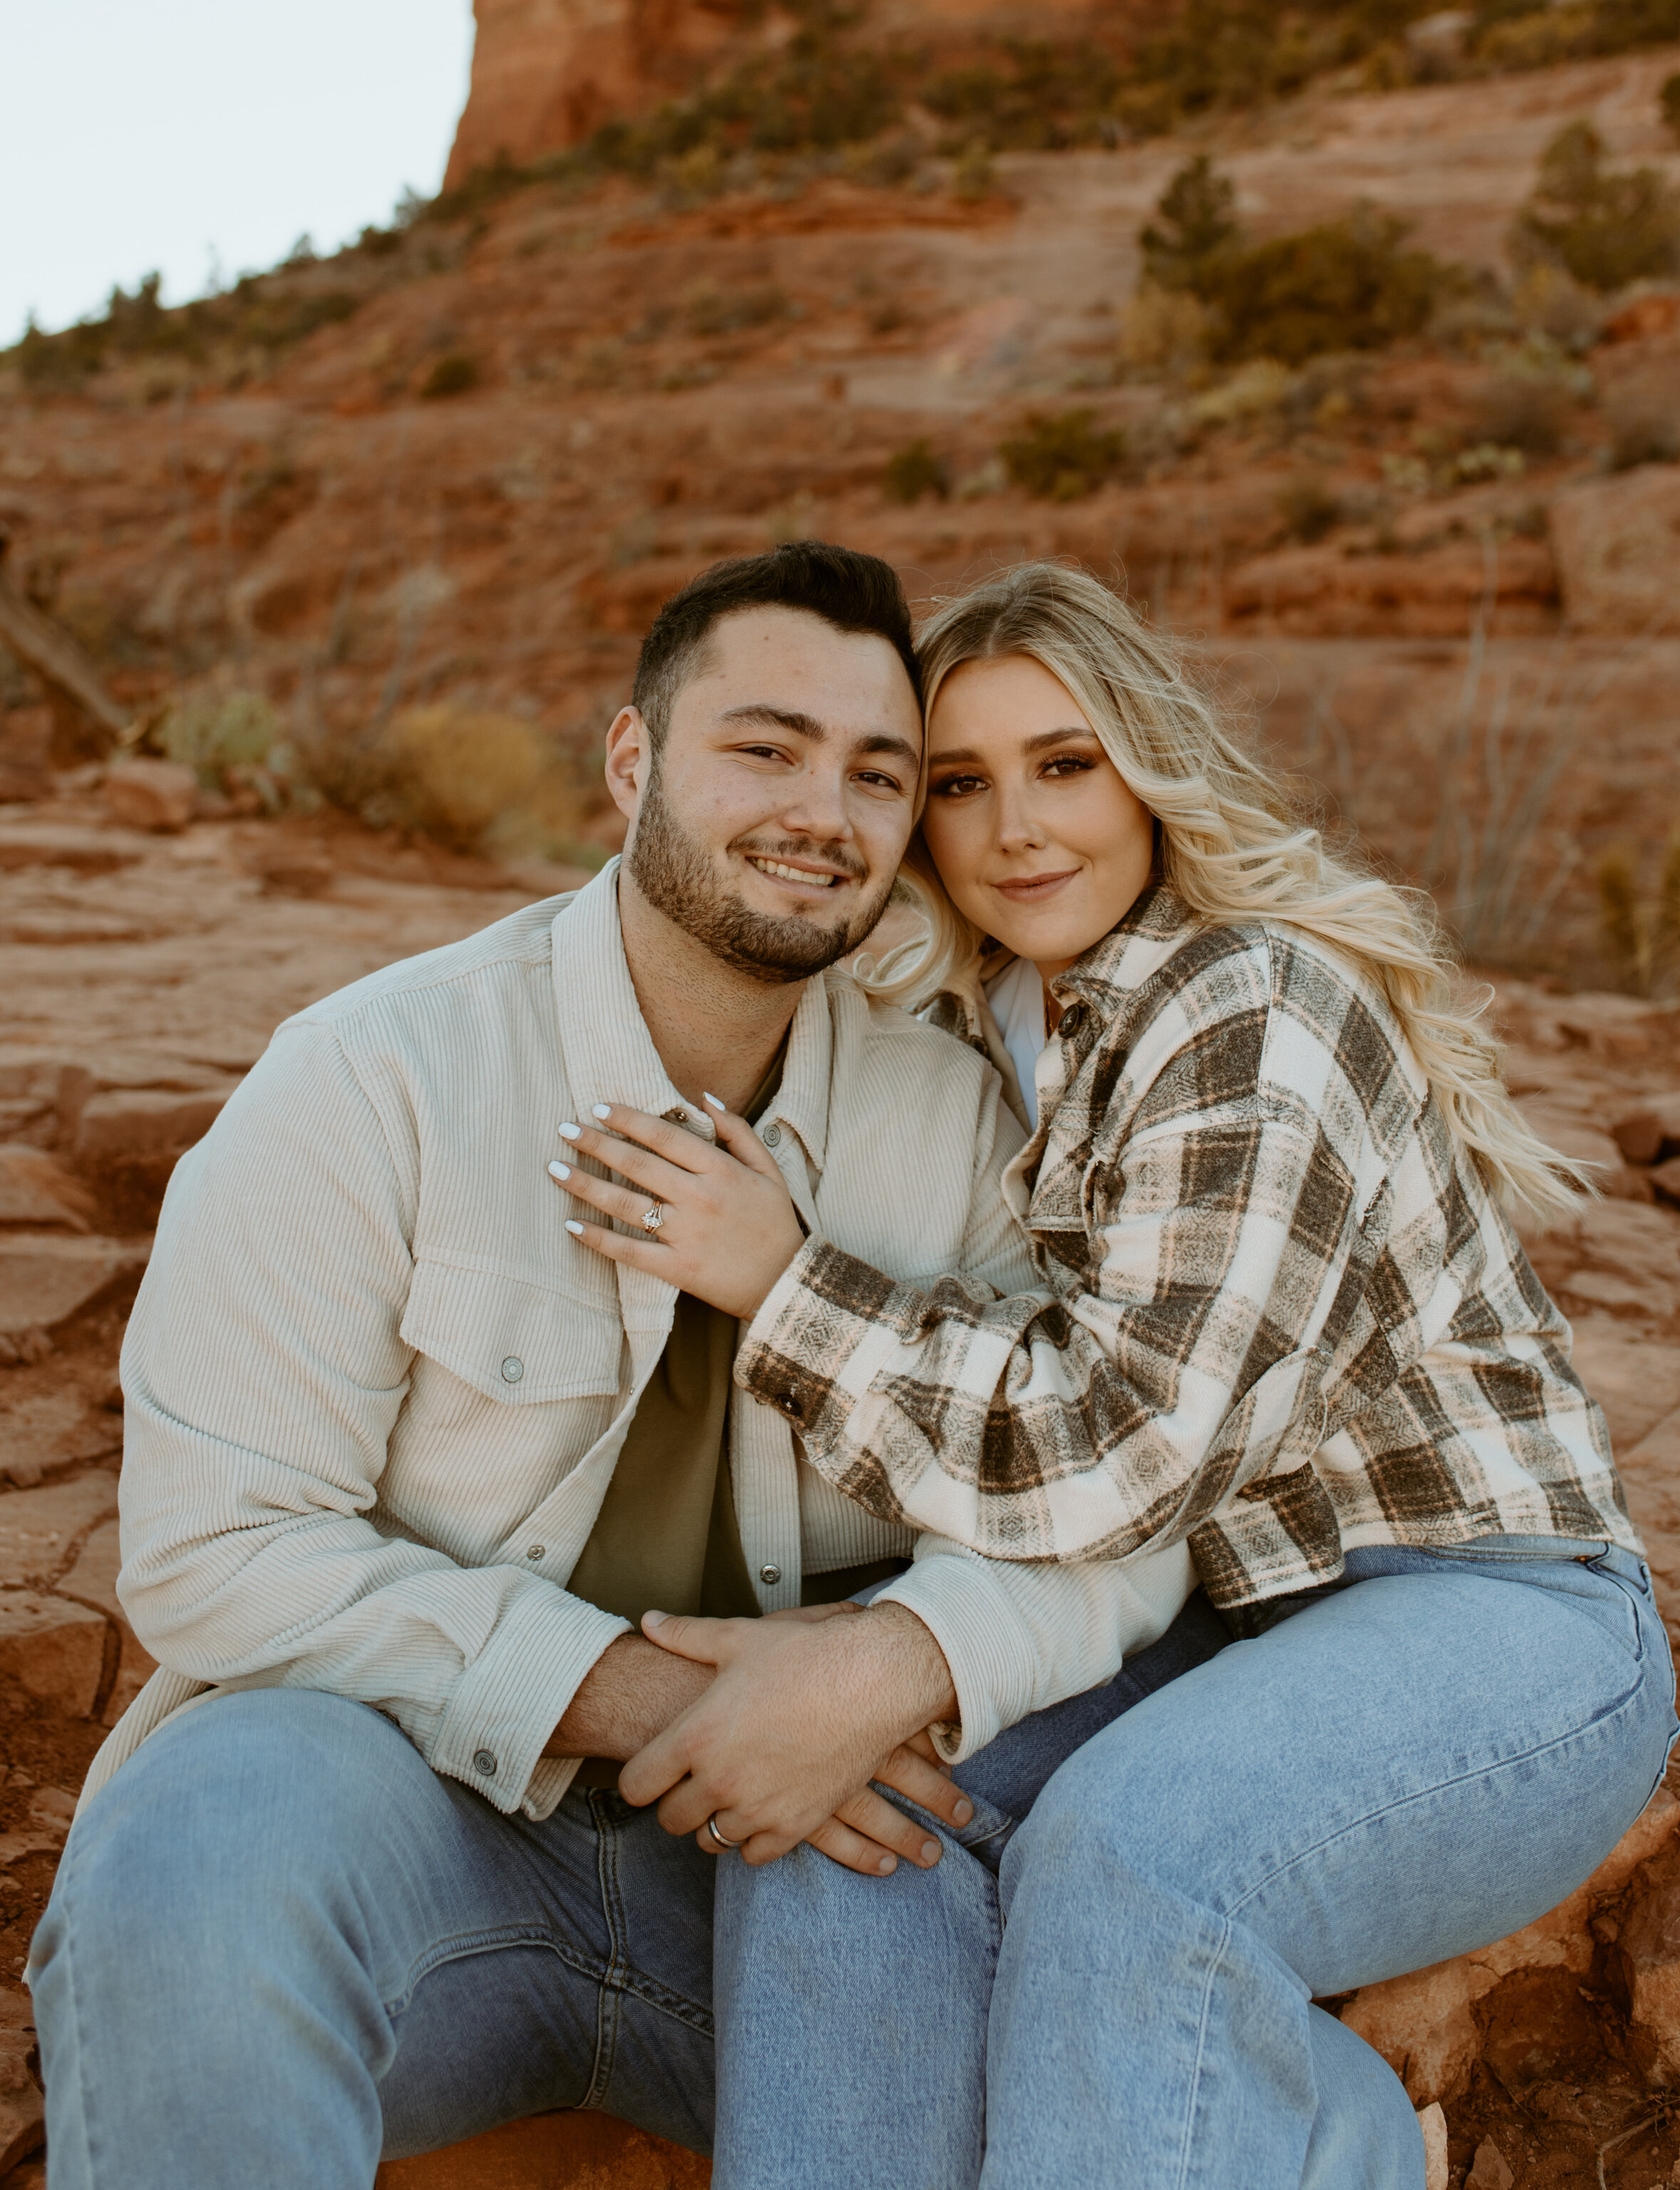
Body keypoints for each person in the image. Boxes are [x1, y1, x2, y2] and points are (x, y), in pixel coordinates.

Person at [29, 544, 1209, 2189]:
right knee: (196, 1846)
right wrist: (664, 1699)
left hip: (796, 1874)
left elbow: (1116, 1509)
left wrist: (880, 1671)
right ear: (631, 759)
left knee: (1092, 2047)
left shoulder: (959, 1132)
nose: (824, 810)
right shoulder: (372, 1081)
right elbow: (215, 1549)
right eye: (764, 746)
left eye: (879, 774)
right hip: (416, 1823)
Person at [570, 561, 1679, 2190]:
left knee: (1129, 1861)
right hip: (1217, 1624)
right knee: (840, 1814)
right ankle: (1311, 2135)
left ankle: (1316, 2137)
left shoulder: (1251, 1008)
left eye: (1064, 763)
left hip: (1488, 1615)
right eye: (958, 783)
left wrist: (781, 1281)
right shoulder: (988, 1022)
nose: (1016, 826)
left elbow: (1115, 1454)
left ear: (1148, 772)